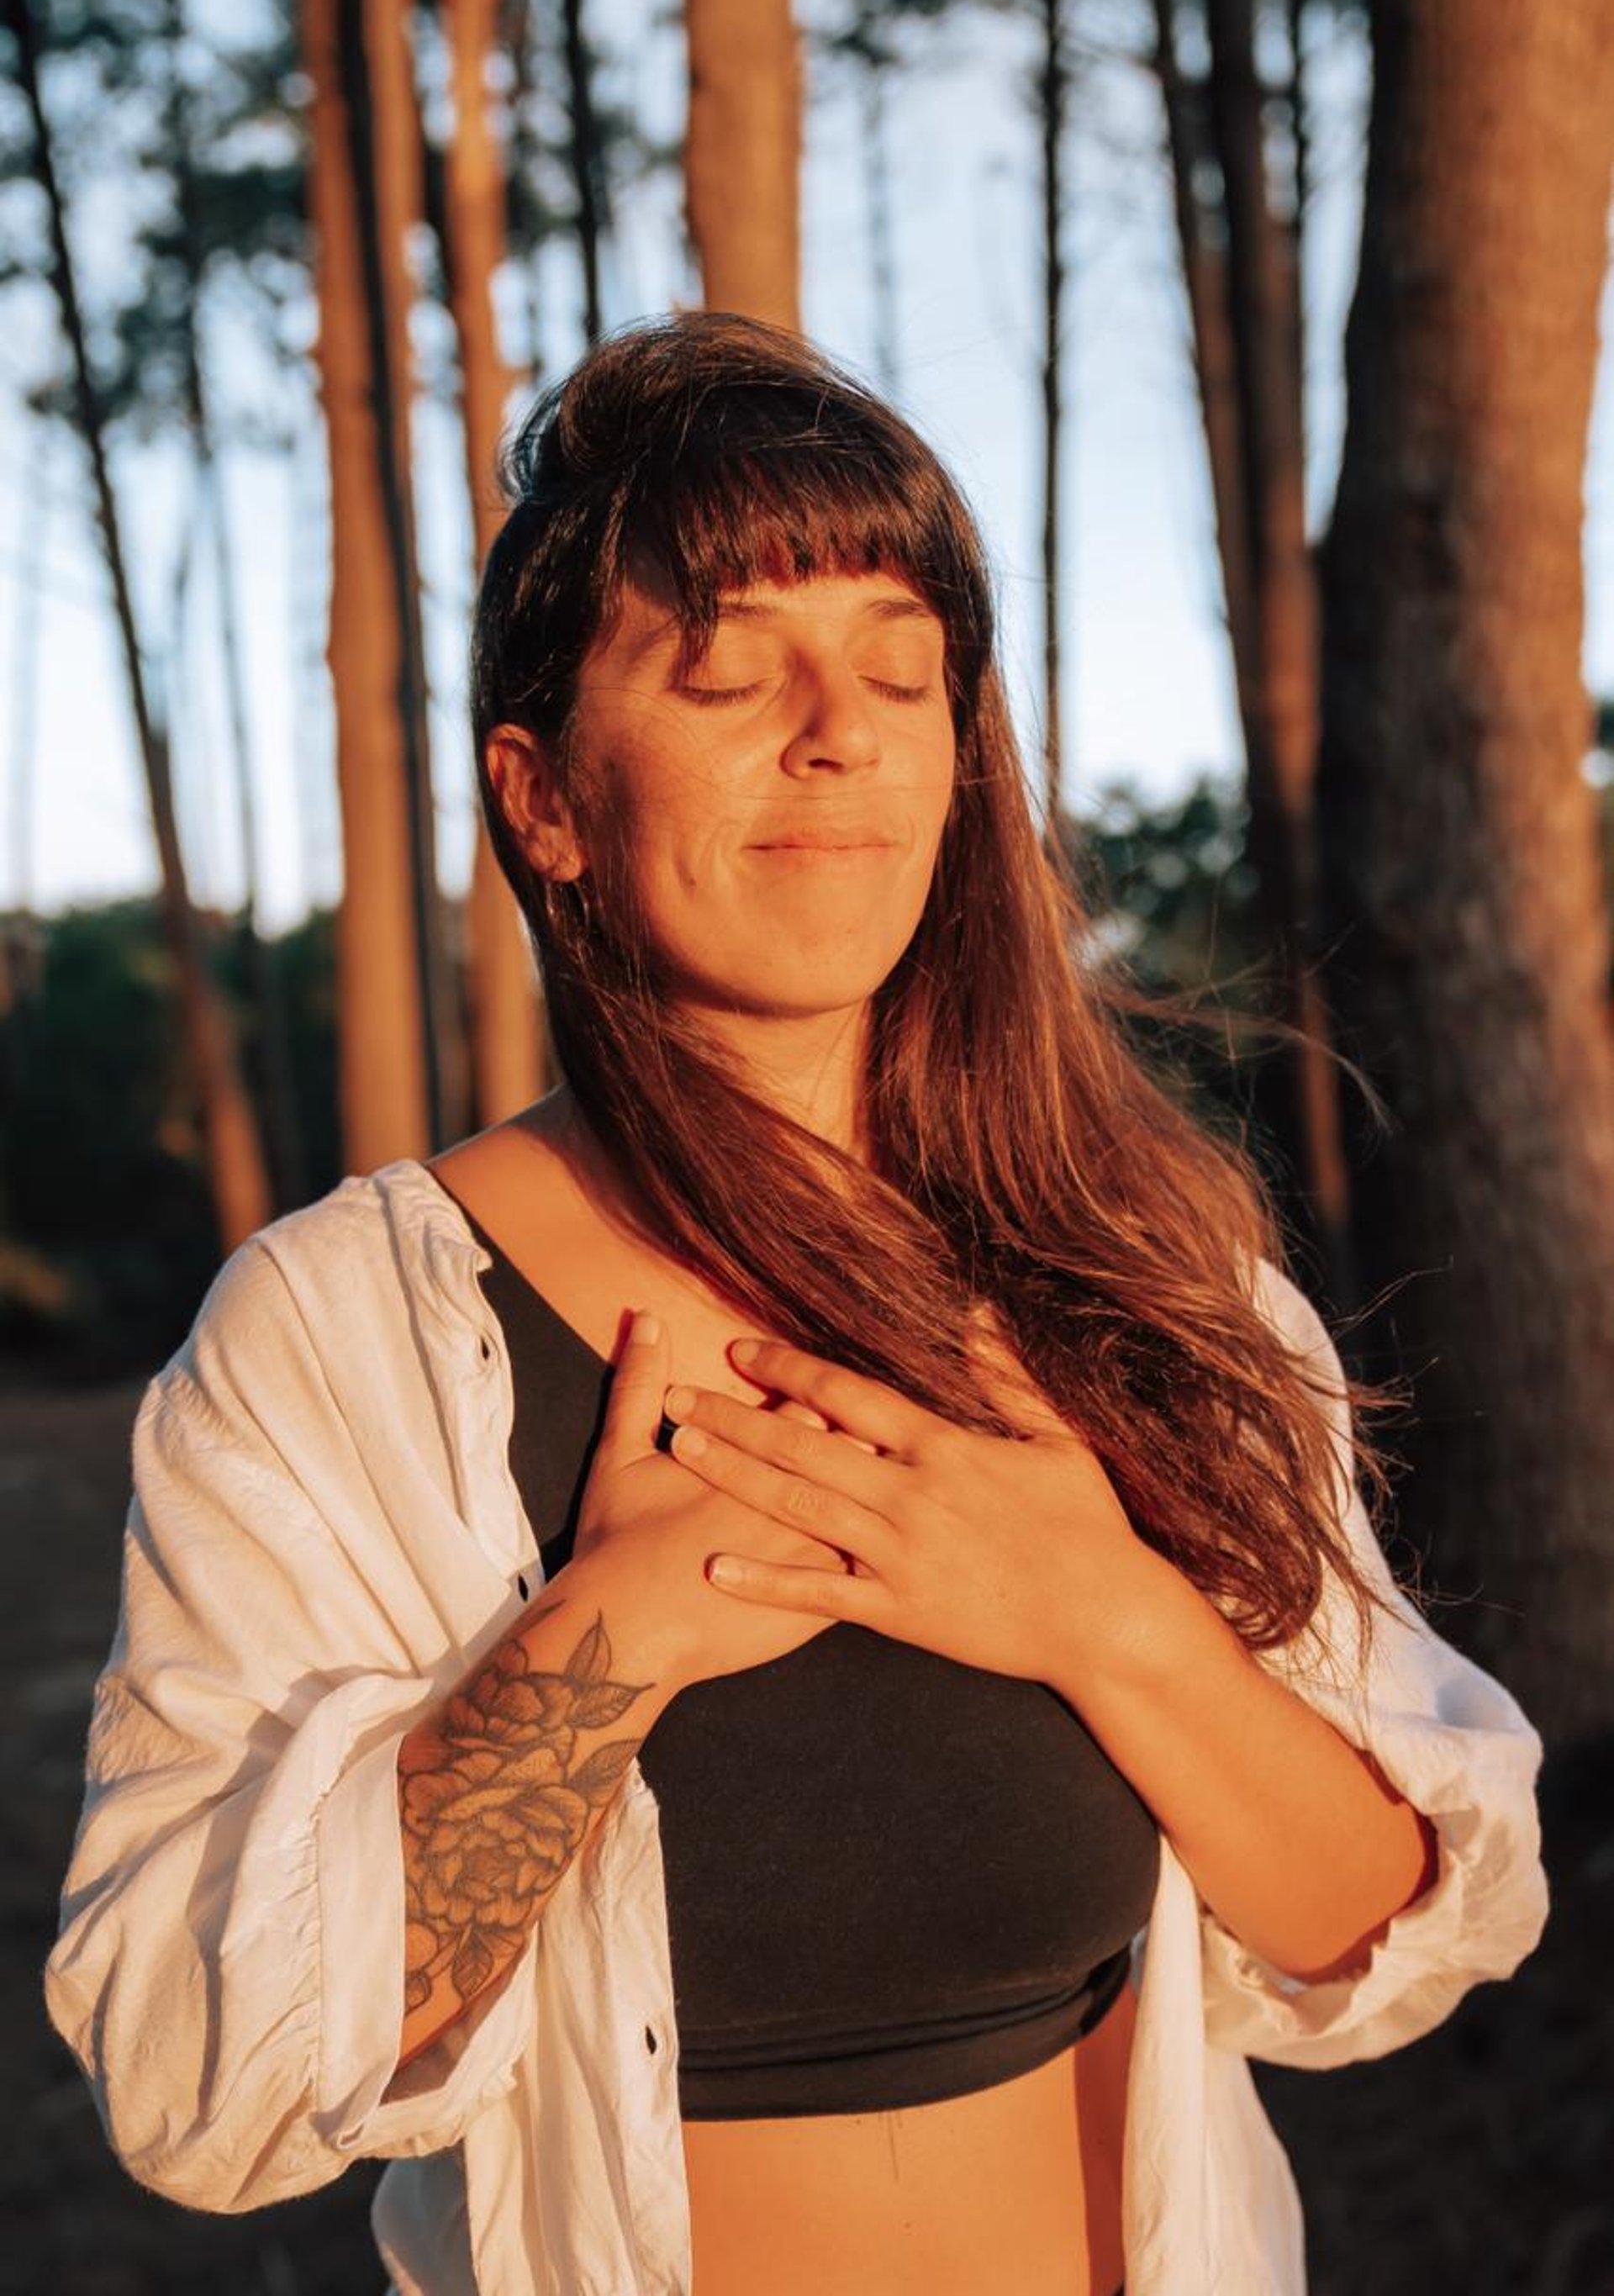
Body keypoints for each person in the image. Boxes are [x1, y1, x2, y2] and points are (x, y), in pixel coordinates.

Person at [45, 311, 1549, 2296]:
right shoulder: (343, 1341)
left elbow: (1396, 1923)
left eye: (902, 672)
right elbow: (203, 2083)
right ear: (548, 798)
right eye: (731, 670)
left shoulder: (1141, 1270)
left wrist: (1096, 1608)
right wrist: (603, 1632)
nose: (838, 732)